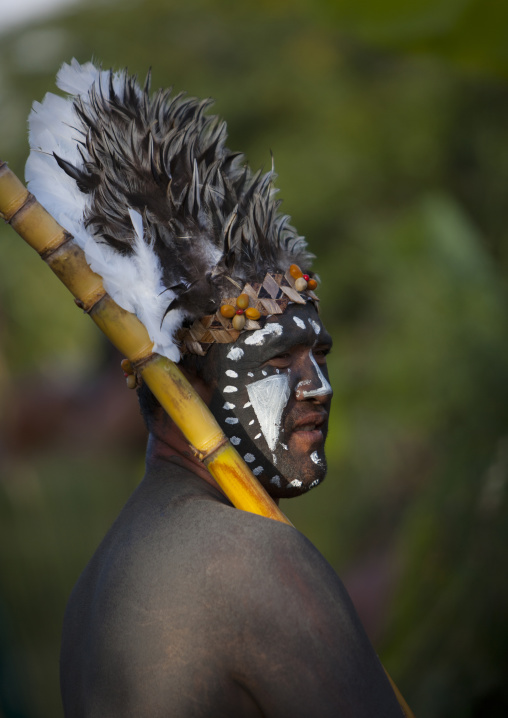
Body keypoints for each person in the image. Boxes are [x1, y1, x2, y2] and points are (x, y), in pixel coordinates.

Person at [26, 60, 406, 716]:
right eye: (279, 359)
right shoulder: (250, 563)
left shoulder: (93, 593)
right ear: (187, 382)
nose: (318, 386)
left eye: (319, 354)